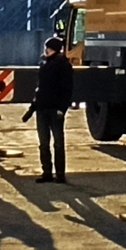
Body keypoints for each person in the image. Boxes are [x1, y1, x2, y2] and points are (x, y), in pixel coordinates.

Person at [32, 35, 74, 183]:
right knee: (43, 143)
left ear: (54, 49)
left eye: (48, 48)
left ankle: (60, 174)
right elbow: (41, 87)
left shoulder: (63, 65)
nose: (46, 50)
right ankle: (47, 173)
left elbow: (67, 89)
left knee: (58, 143)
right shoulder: (44, 63)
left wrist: (62, 109)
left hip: (55, 110)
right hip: (42, 108)